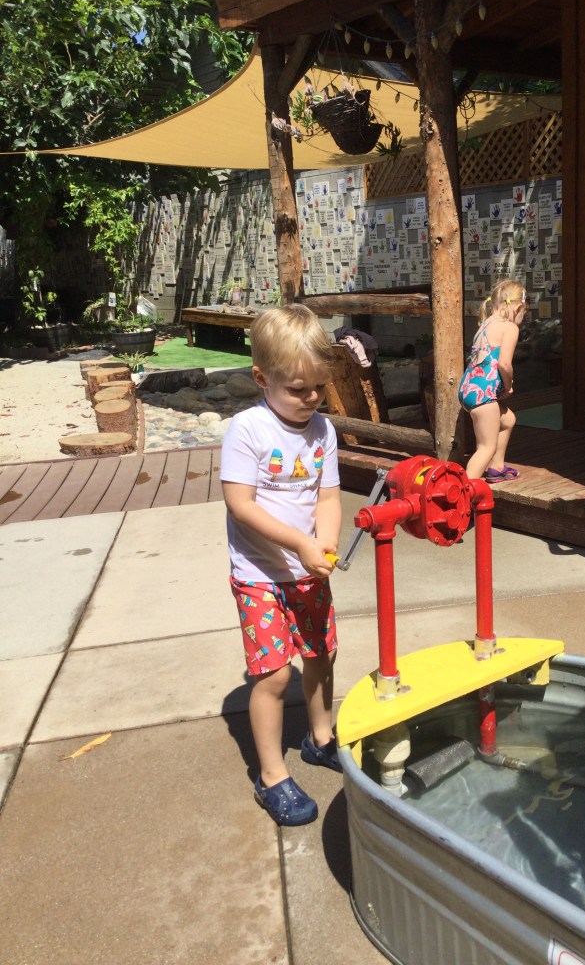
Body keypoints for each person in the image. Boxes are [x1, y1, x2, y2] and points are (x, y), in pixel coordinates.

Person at [220, 303, 343, 827]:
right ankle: (271, 776)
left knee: (321, 656)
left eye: (318, 387)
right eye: (297, 389)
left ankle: (321, 737)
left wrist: (326, 543)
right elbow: (240, 505)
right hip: (260, 575)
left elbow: (328, 497)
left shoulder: (323, 431)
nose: (310, 398)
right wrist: (299, 543)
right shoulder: (247, 430)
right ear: (261, 378)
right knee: (273, 677)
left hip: (307, 570)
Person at [458, 278, 526, 481]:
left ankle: (497, 467)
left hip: (468, 388)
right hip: (483, 395)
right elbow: (504, 364)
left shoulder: (485, 323)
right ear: (518, 307)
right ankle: (464, 492)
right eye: (523, 313)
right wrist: (509, 386)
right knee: (485, 447)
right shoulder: (509, 328)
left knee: (508, 419)